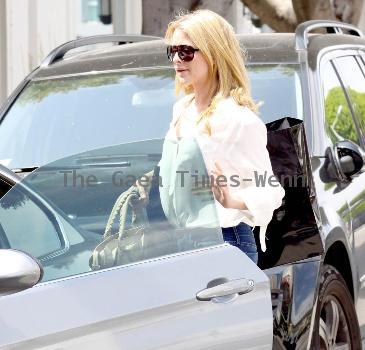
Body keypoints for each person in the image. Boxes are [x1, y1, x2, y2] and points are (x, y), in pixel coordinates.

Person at [138, 9, 285, 264]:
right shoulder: (181, 109)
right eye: (172, 51)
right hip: (179, 242)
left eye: (185, 51)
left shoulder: (238, 119)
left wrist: (233, 199)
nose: (176, 59)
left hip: (226, 241)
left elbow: (270, 191)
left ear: (214, 53)